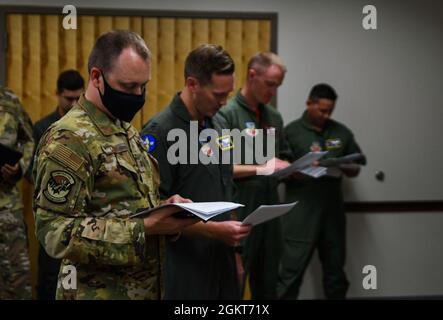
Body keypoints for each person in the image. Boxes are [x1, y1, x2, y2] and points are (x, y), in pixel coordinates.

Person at [32, 30, 196, 300]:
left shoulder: (125, 130)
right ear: (97, 77)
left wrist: (165, 210)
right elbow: (54, 231)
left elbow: (127, 206)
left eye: (144, 86)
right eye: (129, 86)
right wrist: (145, 227)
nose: (138, 95)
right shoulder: (70, 138)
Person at [141, 44, 251, 299]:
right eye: (217, 95)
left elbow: (226, 187)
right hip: (183, 264)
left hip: (222, 258)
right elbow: (153, 212)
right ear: (192, 84)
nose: (224, 102)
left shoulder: (219, 123)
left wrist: (235, 253)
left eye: (228, 94)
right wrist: (215, 230)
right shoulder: (160, 132)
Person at [277, 83, 366, 299]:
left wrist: (345, 166)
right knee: (290, 273)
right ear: (309, 103)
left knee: (336, 273)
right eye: (322, 110)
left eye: (330, 111)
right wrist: (296, 171)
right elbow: (279, 169)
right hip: (301, 211)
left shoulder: (341, 132)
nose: (326, 115)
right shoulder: (292, 131)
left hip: (332, 212)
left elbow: (356, 166)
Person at [219, 52, 292, 299]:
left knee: (269, 284)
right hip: (240, 210)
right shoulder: (226, 115)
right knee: (234, 284)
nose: (273, 91)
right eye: (270, 84)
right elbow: (221, 167)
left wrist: (292, 168)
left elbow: (281, 158)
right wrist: (263, 168)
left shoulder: (274, 117)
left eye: (277, 86)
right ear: (252, 75)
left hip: (270, 211)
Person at [27, 69, 85, 300]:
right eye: (67, 98)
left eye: (77, 98)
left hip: (81, 218)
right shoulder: (44, 128)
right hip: (53, 214)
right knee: (50, 277)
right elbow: (32, 172)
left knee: (78, 281)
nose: (72, 104)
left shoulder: (87, 128)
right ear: (57, 95)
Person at [0, 86, 34, 299]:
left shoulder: (9, 101)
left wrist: (20, 165)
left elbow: (29, 139)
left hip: (7, 210)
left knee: (17, 282)